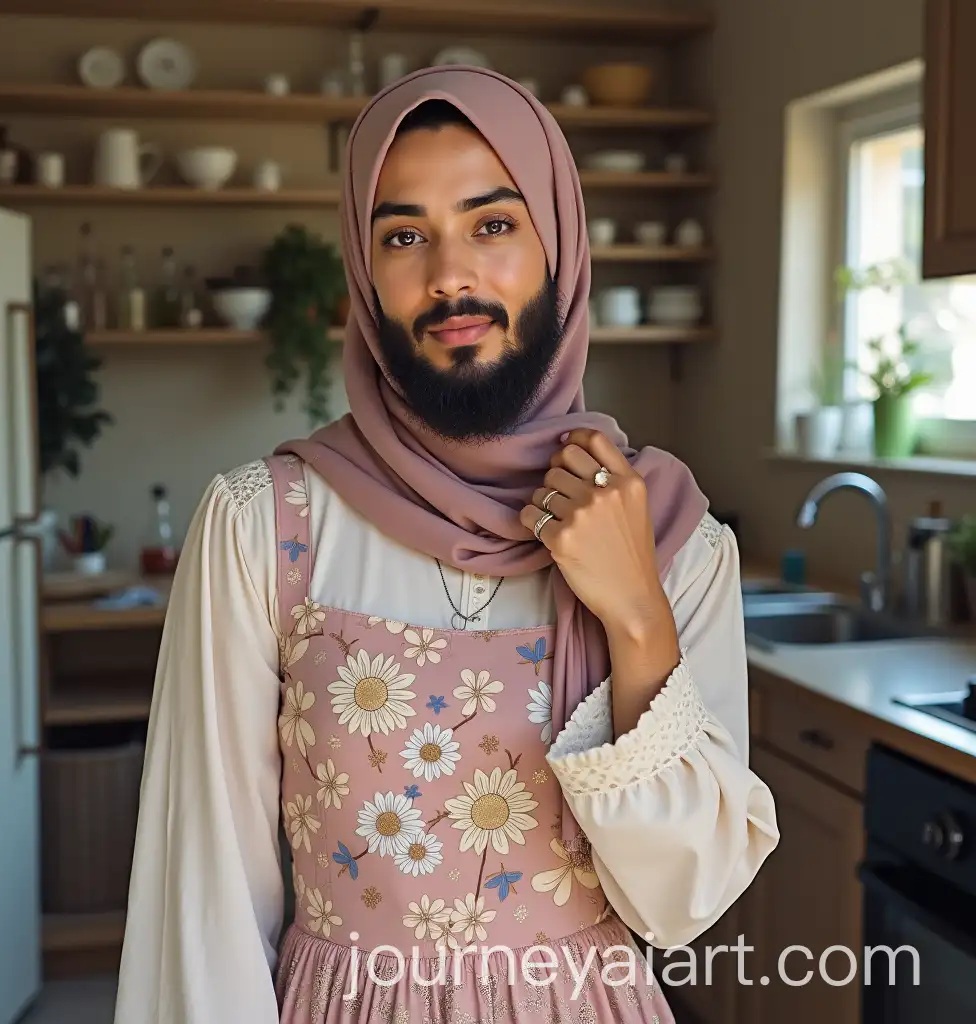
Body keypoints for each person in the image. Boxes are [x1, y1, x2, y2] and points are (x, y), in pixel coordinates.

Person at [113, 67, 779, 1024]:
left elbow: (684, 901)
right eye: (404, 235)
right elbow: (201, 898)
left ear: (560, 248)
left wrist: (635, 615)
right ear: (364, 269)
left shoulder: (672, 542)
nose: (449, 275)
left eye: (494, 224)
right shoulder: (264, 525)